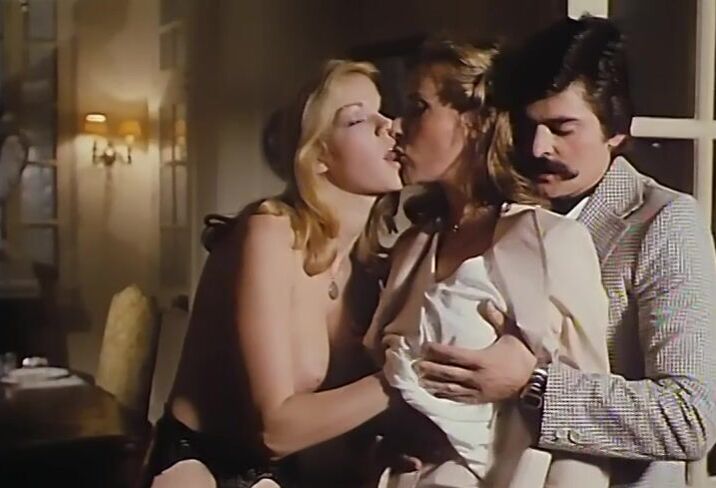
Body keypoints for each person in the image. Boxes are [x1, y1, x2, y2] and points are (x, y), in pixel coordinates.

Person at [415, 16, 716, 487]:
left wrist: (532, 384)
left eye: (562, 128)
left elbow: (688, 418)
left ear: (615, 131)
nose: (539, 147)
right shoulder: (498, 214)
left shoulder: (663, 223)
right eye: (528, 125)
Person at [363, 39, 612, 487]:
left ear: (476, 122)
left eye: (418, 108)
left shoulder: (551, 243)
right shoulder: (414, 246)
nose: (397, 126)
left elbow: (586, 437)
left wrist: (529, 379)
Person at [146, 59, 404, 487]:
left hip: (287, 474)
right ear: (318, 156)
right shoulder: (270, 232)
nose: (388, 127)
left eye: (384, 112)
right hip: (201, 467)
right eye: (358, 119)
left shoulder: (366, 266)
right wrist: (405, 379)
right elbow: (276, 430)